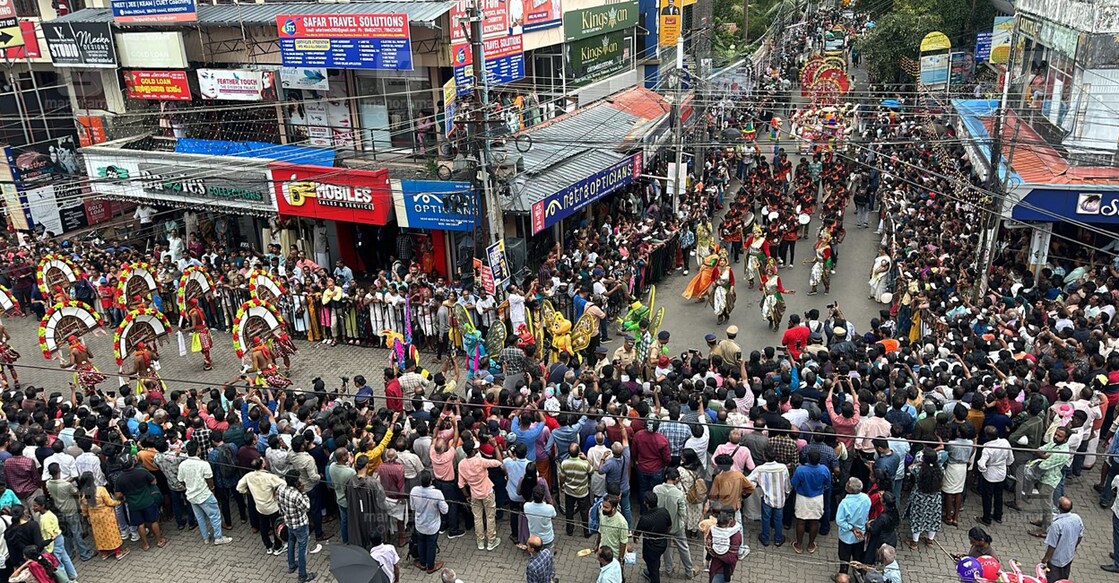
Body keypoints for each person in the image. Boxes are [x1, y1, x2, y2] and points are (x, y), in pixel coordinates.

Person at [176, 440, 232, 545]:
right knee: (215, 515)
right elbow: (209, 479)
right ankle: (218, 537)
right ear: (198, 450)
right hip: (204, 494)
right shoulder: (203, 464)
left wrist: (189, 487)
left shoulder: (182, 465)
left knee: (200, 517)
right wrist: (212, 489)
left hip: (191, 496)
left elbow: (180, 480)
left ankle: (205, 538)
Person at [457, 439, 503, 551]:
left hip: (474, 495)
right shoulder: (480, 461)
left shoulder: (461, 464)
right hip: (487, 492)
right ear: (473, 450)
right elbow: (498, 462)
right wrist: (495, 446)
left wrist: (467, 496)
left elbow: (461, 484)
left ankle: (480, 542)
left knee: (477, 518)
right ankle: (491, 541)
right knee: (490, 516)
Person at [113, 456, 168, 550]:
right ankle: (159, 540)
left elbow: (118, 495)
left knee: (140, 524)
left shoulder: (119, 478)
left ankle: (145, 544)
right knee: (153, 521)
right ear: (132, 462)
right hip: (148, 500)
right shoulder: (142, 471)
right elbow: (154, 481)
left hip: (133, 504)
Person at [236, 457, 287, 555]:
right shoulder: (269, 477)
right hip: (272, 507)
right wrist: (276, 492)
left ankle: (268, 546)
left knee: (263, 527)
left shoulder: (249, 476)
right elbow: (283, 483)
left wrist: (248, 491)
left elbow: (239, 488)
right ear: (262, 465)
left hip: (260, 507)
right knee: (276, 526)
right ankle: (277, 547)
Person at [77, 471, 126, 561]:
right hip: (106, 515)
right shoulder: (100, 490)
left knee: (99, 535)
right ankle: (118, 552)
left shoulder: (84, 494)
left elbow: (84, 509)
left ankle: (104, 553)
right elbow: (109, 502)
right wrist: (119, 502)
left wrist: (87, 516)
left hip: (94, 517)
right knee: (111, 533)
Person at [277, 469, 316, 583]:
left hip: (288, 522)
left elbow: (279, 505)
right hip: (300, 525)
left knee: (290, 542)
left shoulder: (280, 489)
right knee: (302, 549)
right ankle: (302, 575)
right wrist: (303, 492)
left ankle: (291, 565)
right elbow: (306, 507)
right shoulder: (297, 495)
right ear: (296, 482)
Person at [748, 445, 791, 547]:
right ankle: (778, 539)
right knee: (778, 519)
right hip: (780, 498)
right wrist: (787, 493)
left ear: (764, 456)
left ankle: (765, 538)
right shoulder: (783, 467)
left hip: (767, 498)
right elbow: (787, 484)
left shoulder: (760, 469)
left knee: (766, 519)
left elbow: (748, 480)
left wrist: (757, 484)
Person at [790, 449, 830, 554]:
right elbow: (827, 484)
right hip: (817, 498)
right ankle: (811, 544)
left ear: (807, 459)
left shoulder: (800, 470)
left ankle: (799, 545)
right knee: (814, 521)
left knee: (801, 521)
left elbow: (793, 482)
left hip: (802, 498)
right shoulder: (824, 469)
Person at [31, 496, 75, 583]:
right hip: (59, 538)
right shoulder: (49, 513)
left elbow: (50, 532)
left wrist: (49, 541)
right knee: (65, 557)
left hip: (53, 542)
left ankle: (65, 580)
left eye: (35, 506)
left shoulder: (44, 518)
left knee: (57, 562)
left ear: (42, 506)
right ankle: (72, 575)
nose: (33, 508)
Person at [410, 470, 447, 574]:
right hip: (432, 526)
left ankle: (422, 563)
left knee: (421, 543)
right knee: (431, 546)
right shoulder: (437, 493)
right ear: (431, 481)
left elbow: (412, 507)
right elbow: (445, 510)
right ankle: (430, 567)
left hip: (420, 524)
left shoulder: (414, 491)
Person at [1041, 497, 1083, 581]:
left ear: (1058, 507)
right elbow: (1080, 536)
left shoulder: (1057, 525)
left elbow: (1052, 545)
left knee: (1052, 579)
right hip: (1068, 556)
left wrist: (1045, 558)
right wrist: (1074, 547)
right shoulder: (1077, 518)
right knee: (1064, 578)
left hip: (1056, 560)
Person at [906, 454, 943, 548]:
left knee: (918, 518)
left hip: (920, 497)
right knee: (933, 517)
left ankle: (914, 542)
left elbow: (909, 467)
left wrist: (919, 463)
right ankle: (930, 540)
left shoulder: (918, 470)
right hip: (935, 498)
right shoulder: (940, 469)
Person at [976, 425, 1011, 526]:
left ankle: (986, 518)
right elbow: (1010, 458)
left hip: (990, 475)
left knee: (987, 497)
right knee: (999, 495)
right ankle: (998, 515)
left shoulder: (987, 447)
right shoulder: (1005, 442)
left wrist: (983, 470)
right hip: (1001, 473)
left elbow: (982, 464)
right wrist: (1006, 465)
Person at [836, 477, 871, 575]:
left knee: (844, 560)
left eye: (848, 483)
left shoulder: (845, 503)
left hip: (846, 537)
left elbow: (840, 521)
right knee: (858, 558)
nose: (846, 483)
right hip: (860, 535)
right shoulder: (866, 498)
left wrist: (851, 528)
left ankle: (843, 577)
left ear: (850, 489)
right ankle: (858, 576)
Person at [635, 491, 670, 583]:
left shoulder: (644, 518)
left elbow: (637, 533)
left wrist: (635, 539)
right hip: (662, 543)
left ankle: (653, 576)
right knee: (655, 561)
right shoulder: (664, 511)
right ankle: (651, 571)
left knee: (653, 567)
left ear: (646, 503)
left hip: (650, 547)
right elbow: (669, 526)